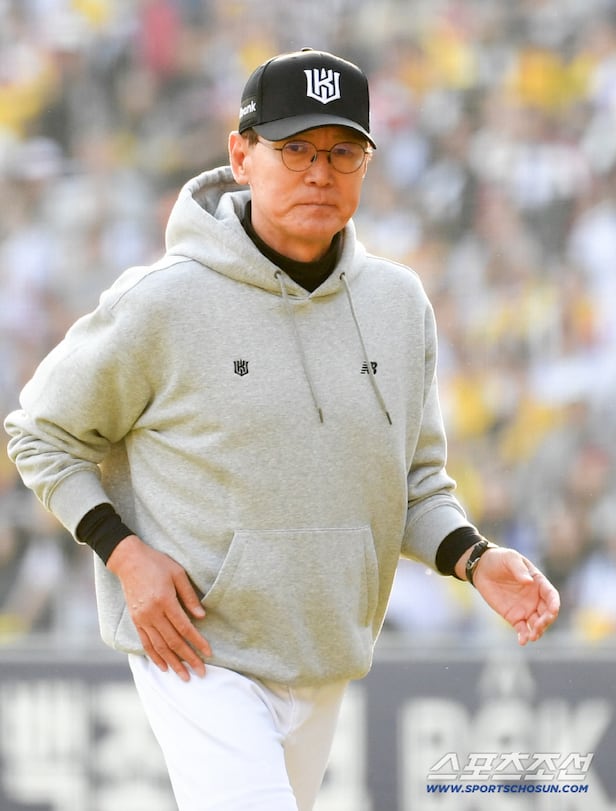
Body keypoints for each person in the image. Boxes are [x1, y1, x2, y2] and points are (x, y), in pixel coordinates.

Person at [4, 48, 559, 811]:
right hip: (198, 647)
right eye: (294, 148)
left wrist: (475, 557)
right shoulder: (164, 301)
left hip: (321, 650)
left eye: (342, 151)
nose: (319, 173)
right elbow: (40, 432)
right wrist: (125, 554)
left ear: (367, 164)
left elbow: (414, 483)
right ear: (241, 155)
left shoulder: (399, 304)